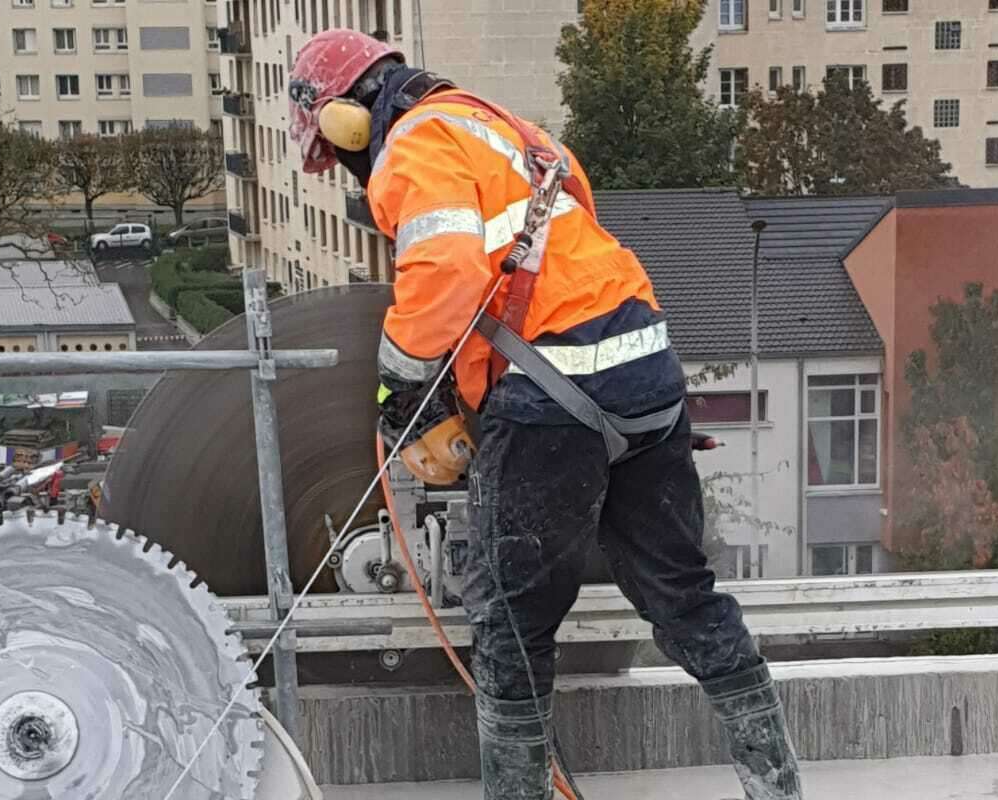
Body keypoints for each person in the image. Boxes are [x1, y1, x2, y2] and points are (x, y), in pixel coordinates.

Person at [288, 29, 803, 800]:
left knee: (510, 621)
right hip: (647, 373)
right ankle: (778, 785)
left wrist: (400, 391)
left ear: (347, 120)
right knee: (683, 593)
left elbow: (444, 267)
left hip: (555, 394)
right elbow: (558, 250)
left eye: (337, 153)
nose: (349, 170)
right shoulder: (504, 128)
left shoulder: (414, 146)